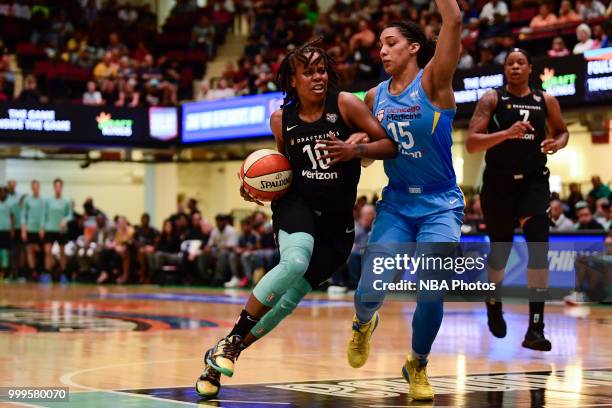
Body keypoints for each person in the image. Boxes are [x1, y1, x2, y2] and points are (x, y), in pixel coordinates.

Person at [195, 39, 396, 398]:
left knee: (286, 303)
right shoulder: (280, 120)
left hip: (337, 224)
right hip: (297, 206)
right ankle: (231, 342)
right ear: (292, 80)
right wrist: (258, 188)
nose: (318, 77)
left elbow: (389, 145)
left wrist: (355, 149)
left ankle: (224, 353)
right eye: (309, 72)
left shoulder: (346, 104)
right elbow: (280, 169)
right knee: (294, 261)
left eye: (322, 70)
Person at [343, 0, 465, 400]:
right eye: (380, 44)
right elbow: (349, 116)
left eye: (391, 42)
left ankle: (417, 363)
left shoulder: (433, 82)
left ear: (413, 47)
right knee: (369, 291)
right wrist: (359, 139)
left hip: (441, 203)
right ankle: (364, 323)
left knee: (432, 287)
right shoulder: (375, 94)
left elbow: (454, 19)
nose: (382, 50)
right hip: (396, 205)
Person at [466, 48, 569, 352]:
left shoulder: (545, 100)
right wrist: (506, 134)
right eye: (509, 63)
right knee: (500, 252)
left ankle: (536, 328)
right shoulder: (492, 99)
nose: (514, 67)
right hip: (498, 184)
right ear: (505, 70)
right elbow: (472, 142)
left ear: (529, 68)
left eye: (520, 62)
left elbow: (563, 132)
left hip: (534, 183)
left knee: (539, 248)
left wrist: (556, 143)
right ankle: (493, 301)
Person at [42, 178, 72, 283]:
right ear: (54, 187)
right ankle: (47, 273)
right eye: (56, 186)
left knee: (62, 252)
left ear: (62, 187)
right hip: (50, 229)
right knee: (47, 252)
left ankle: (63, 273)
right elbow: (44, 215)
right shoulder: (48, 201)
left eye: (60, 186)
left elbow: (70, 215)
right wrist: (42, 227)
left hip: (61, 230)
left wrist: (65, 219)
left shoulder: (66, 201)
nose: (58, 188)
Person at [21, 180, 45, 281]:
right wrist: (23, 230)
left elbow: (45, 214)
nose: (35, 189)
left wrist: (42, 227)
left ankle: (40, 270)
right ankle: (33, 271)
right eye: (34, 187)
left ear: (39, 187)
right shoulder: (27, 200)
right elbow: (24, 215)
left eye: (37, 187)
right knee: (30, 250)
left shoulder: (44, 200)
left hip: (40, 230)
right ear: (32, 188)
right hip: (30, 229)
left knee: (40, 251)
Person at [0, 186, 13, 279]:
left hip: (6, 231)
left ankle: (5, 272)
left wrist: (11, 229)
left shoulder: (9, 204)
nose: (2, 194)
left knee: (5, 252)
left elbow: (12, 217)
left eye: (4, 192)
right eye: (1, 192)